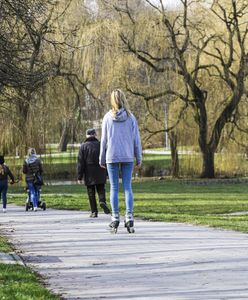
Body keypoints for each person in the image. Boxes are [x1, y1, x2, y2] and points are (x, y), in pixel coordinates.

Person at [99, 89, 142, 233]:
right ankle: (129, 216)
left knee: (114, 188)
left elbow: (104, 140)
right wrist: (139, 157)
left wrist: (102, 158)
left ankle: (115, 217)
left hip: (112, 156)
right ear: (124, 99)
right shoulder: (131, 118)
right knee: (128, 187)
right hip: (128, 156)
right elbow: (136, 139)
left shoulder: (107, 118)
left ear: (112, 100)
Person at [78, 128, 110, 218]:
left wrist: (79, 176)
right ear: (95, 135)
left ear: (86, 135)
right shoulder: (101, 145)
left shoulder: (83, 146)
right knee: (101, 189)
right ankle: (102, 201)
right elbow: (106, 159)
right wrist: (107, 173)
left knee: (91, 192)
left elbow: (81, 163)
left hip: (89, 173)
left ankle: (94, 212)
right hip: (101, 170)